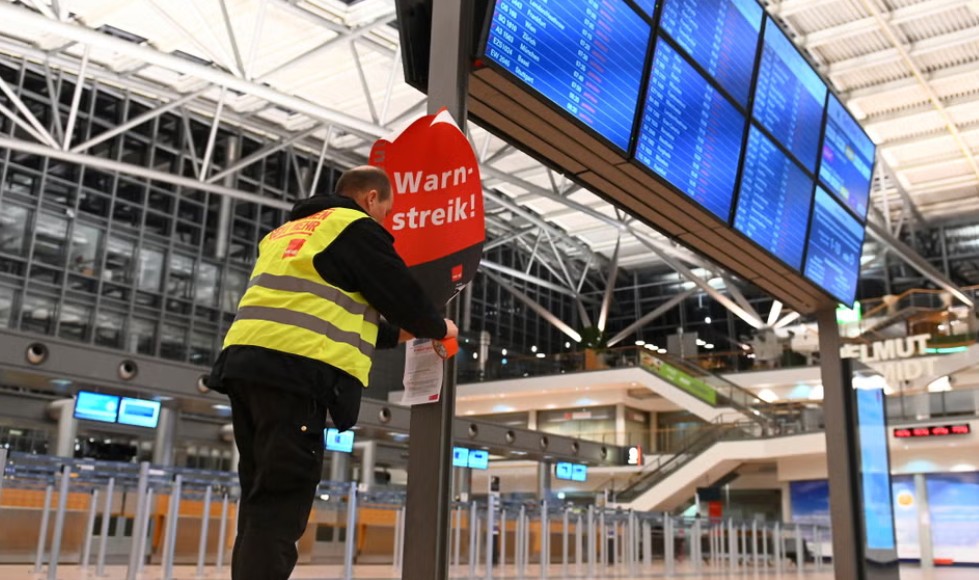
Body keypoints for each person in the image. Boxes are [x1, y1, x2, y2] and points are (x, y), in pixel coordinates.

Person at [208, 165, 457, 580]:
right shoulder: (353, 226)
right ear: (371, 198)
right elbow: (401, 295)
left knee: (259, 500)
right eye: (387, 212)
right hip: (295, 374)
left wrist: (407, 331)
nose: (386, 222)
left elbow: (334, 309)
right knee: (282, 503)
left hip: (245, 369)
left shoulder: (286, 233)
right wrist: (438, 327)